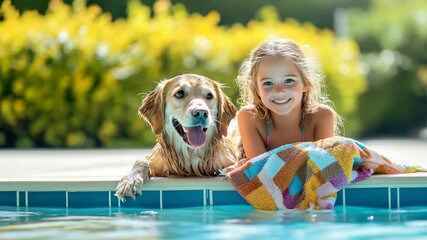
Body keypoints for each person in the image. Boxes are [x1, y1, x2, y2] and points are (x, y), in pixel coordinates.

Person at [235, 38, 343, 159]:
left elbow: (324, 165)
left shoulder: (321, 116)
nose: (279, 90)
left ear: (306, 83)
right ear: (256, 89)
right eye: (268, 83)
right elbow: (259, 170)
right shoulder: (249, 117)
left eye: (289, 80)